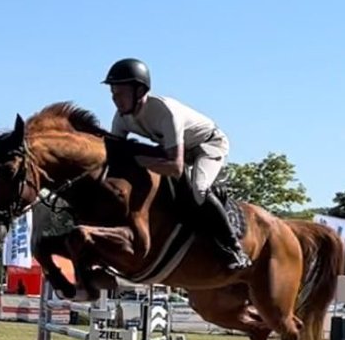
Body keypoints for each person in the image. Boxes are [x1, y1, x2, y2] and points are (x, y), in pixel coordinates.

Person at [102, 58, 251, 269]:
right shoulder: (121, 118)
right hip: (177, 149)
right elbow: (113, 154)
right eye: (113, 94)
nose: (115, 100)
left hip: (208, 145)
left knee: (199, 189)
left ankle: (234, 248)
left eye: (120, 94)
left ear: (139, 91)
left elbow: (175, 167)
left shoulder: (164, 111)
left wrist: (139, 161)